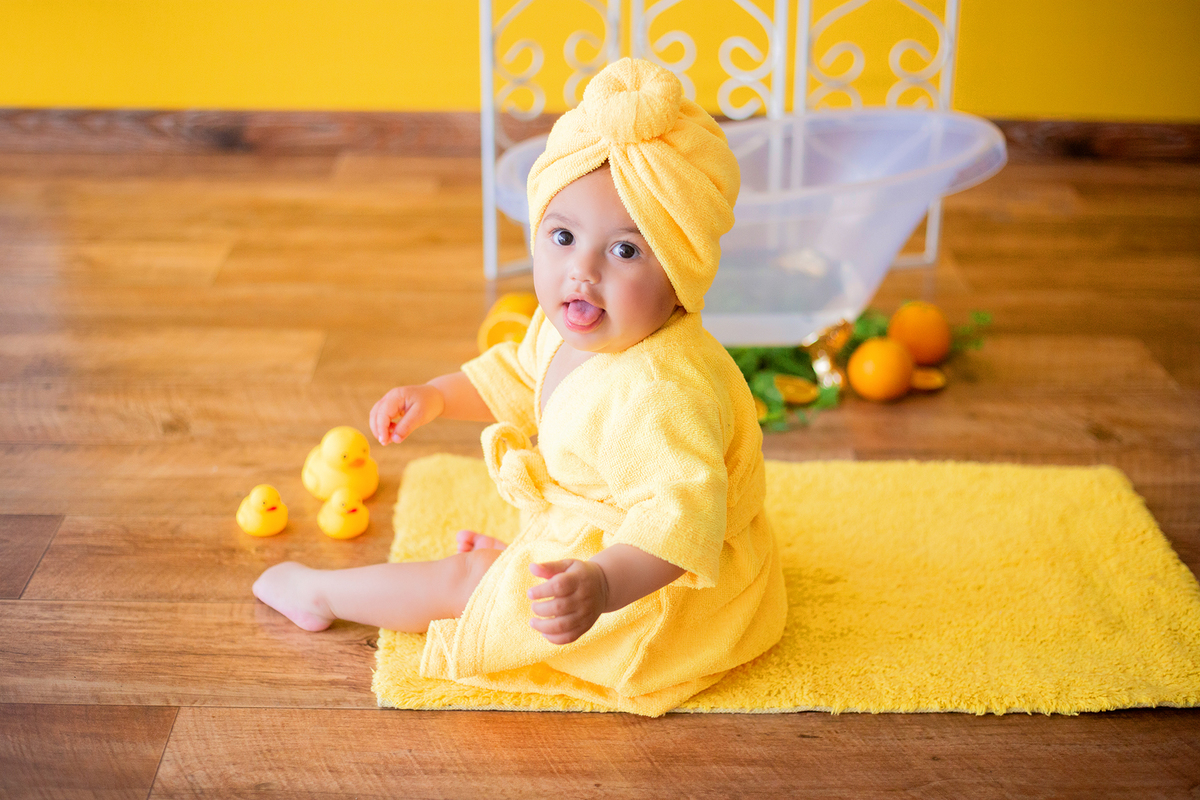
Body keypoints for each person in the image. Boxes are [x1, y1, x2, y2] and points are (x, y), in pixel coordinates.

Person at [253, 57, 787, 716]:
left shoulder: (660, 392)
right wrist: (440, 396)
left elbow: (680, 524)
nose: (581, 272)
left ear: (682, 275)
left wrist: (598, 584)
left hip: (659, 595)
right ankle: (546, 550)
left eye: (625, 251)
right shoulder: (574, 327)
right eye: (563, 237)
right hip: (616, 543)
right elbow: (518, 375)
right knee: (517, 567)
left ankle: (322, 595)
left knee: (471, 581)